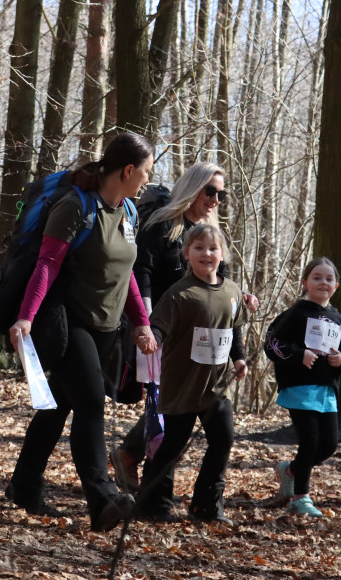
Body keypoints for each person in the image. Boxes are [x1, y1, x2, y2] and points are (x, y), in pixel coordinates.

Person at [5, 132, 158, 532]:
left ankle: (23, 485)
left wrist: (140, 322)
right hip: (69, 323)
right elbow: (47, 264)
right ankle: (102, 497)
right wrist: (24, 318)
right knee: (91, 402)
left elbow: (127, 277)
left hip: (108, 327)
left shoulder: (129, 212)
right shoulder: (76, 206)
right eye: (146, 171)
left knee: (57, 406)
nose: (147, 180)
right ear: (128, 170)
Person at [110, 163, 258, 488]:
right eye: (210, 191)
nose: (216, 199)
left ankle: (131, 456)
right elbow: (141, 272)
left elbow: (224, 290)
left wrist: (238, 343)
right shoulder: (163, 225)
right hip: (163, 333)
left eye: (221, 194)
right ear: (193, 188)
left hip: (202, 344)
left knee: (177, 406)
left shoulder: (212, 236)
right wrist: (145, 323)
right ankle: (151, 486)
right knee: (167, 406)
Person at [138, 224, 248, 524]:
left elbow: (233, 329)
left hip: (217, 386)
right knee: (173, 445)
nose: (206, 254)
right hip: (182, 384)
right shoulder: (180, 294)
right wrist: (152, 340)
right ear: (187, 253)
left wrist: (239, 360)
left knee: (223, 440)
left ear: (222, 254)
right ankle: (151, 501)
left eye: (212, 248)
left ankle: (206, 505)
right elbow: (159, 326)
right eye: (199, 248)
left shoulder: (232, 291)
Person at [263, 257, 341, 517]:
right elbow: (271, 344)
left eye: (328, 278)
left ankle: (290, 471)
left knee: (328, 445)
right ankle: (300, 498)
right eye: (316, 277)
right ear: (305, 283)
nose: (323, 282)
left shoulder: (339, 320)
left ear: (336, 286)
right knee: (310, 441)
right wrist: (298, 354)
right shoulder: (296, 313)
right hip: (299, 387)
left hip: (327, 390)